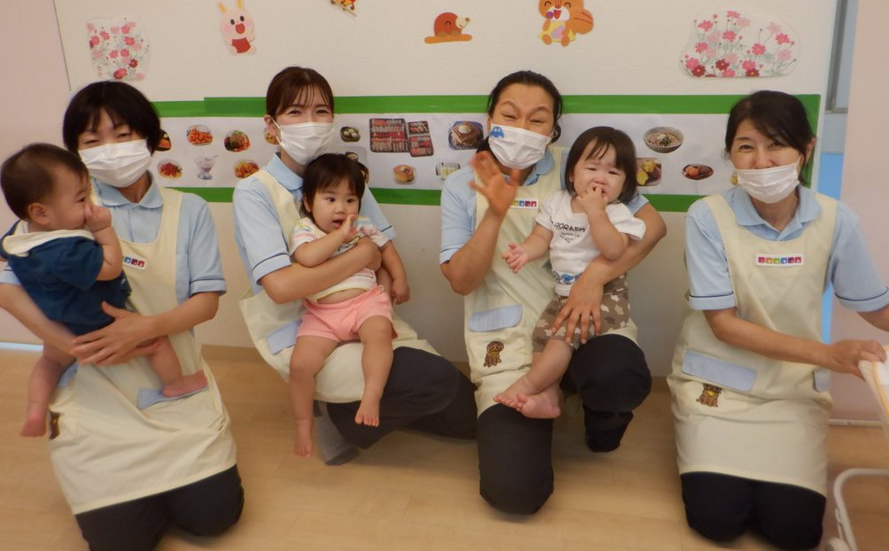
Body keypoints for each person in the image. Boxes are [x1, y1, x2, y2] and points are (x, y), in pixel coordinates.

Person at [0, 82, 242, 551]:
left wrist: (145, 328)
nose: (109, 150)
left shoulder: (187, 210)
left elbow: (206, 301)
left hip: (171, 384)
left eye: (122, 133)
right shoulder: (52, 218)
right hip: (95, 391)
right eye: (91, 141)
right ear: (74, 152)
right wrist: (71, 345)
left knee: (214, 519)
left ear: (150, 137)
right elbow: (6, 290)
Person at [668, 90, 889, 550]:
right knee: (718, 521)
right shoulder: (707, 217)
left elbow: (875, 307)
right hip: (718, 386)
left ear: (805, 149)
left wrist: (827, 358)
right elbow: (724, 325)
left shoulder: (836, 221)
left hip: (791, 391)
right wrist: (829, 355)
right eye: (746, 146)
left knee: (792, 532)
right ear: (730, 153)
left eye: (776, 145)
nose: (760, 161)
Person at [440, 70, 666, 514]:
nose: (523, 128)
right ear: (489, 120)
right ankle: (542, 394)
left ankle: (602, 419)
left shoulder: (579, 165)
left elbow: (653, 228)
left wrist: (592, 279)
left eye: (538, 119)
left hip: (584, 319)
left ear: (554, 130)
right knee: (515, 493)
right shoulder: (460, 185)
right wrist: (493, 215)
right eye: (510, 114)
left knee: (618, 375)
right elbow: (461, 280)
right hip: (506, 339)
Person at [232, 65, 476, 465]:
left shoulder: (344, 177)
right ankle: (343, 417)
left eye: (321, 112)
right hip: (305, 326)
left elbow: (383, 248)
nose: (310, 123)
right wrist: (361, 257)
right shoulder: (255, 192)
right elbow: (281, 287)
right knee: (436, 381)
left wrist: (382, 276)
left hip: (364, 313)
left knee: (469, 419)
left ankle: (351, 405)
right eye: (295, 112)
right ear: (271, 124)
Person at [0, 143, 208, 438]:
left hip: (57, 319)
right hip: (98, 318)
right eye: (82, 198)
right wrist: (102, 230)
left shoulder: (20, 234)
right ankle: (175, 384)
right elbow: (110, 266)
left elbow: (4, 254)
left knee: (50, 360)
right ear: (41, 213)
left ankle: (35, 407)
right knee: (157, 343)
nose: (90, 205)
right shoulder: (66, 249)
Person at [494, 127, 646, 419]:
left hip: (606, 296)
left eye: (613, 173)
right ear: (572, 173)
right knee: (541, 337)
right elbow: (542, 237)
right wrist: (525, 251)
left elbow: (614, 250)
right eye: (591, 167)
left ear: (625, 183)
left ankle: (527, 385)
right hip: (563, 296)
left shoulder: (617, 213)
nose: (601, 177)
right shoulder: (557, 202)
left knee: (561, 340)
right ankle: (550, 397)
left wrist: (596, 212)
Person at [288, 153, 407, 456]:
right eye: (330, 199)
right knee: (300, 366)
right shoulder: (306, 230)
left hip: (365, 302)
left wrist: (400, 278)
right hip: (322, 314)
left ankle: (372, 394)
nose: (341, 208)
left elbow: (387, 250)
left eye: (350, 200)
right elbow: (308, 258)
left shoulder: (364, 225)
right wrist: (341, 235)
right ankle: (303, 422)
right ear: (308, 201)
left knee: (379, 335)